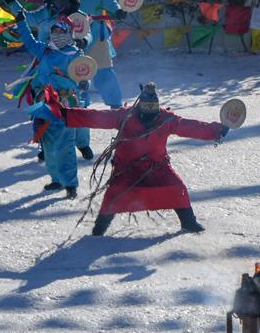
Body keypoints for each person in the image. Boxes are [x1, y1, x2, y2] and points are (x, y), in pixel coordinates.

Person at [63, 83, 229, 236]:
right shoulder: (124, 116)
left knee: (177, 188)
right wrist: (68, 115)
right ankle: (99, 229)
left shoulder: (166, 118)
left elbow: (191, 127)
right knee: (115, 194)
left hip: (157, 167)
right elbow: (97, 117)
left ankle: (188, 221)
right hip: (127, 168)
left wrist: (217, 130)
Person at [1, 0, 95, 160]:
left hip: (69, 66)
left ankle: (82, 144)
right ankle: (46, 144)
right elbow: (25, 21)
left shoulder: (77, 17)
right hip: (44, 60)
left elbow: (87, 32)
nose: (59, 2)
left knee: (77, 111)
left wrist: (83, 41)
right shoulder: (46, 12)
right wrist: (10, 0)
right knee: (43, 110)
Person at [13, 10, 84, 198]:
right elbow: (28, 40)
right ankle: (56, 179)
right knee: (48, 144)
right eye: (54, 32)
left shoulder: (75, 54)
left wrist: (84, 83)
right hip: (44, 104)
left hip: (65, 104)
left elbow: (85, 74)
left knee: (66, 144)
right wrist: (21, 20)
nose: (56, 36)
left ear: (69, 34)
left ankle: (70, 184)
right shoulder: (44, 50)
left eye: (61, 32)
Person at [70, 0, 127, 109]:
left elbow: (111, 4)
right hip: (75, 34)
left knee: (103, 71)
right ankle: (78, 105)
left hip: (96, 35)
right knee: (77, 71)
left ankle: (115, 106)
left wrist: (118, 12)